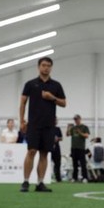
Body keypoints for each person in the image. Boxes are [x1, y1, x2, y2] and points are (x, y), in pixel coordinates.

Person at [19, 56, 66, 192]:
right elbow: (22, 103)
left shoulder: (56, 85)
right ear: (39, 67)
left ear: (51, 67)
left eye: (48, 66)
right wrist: (22, 120)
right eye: (43, 65)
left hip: (49, 126)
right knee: (31, 151)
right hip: (33, 124)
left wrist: (52, 98)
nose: (46, 68)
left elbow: (64, 103)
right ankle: (26, 181)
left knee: (44, 153)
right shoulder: (30, 84)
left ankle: (40, 183)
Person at [67, 114, 90, 183]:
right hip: (73, 148)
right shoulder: (73, 128)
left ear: (80, 119)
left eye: (77, 119)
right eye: (75, 119)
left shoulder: (84, 127)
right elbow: (67, 134)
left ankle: (85, 177)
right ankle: (74, 177)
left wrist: (80, 133)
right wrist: (68, 128)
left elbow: (86, 135)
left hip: (81, 148)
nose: (76, 121)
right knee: (74, 164)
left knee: (83, 163)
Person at [51, 118, 63, 183]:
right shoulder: (48, 129)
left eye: (56, 120)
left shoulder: (58, 129)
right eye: (54, 120)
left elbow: (61, 138)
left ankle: (58, 178)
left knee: (57, 163)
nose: (55, 121)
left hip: (57, 148)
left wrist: (57, 138)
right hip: (49, 147)